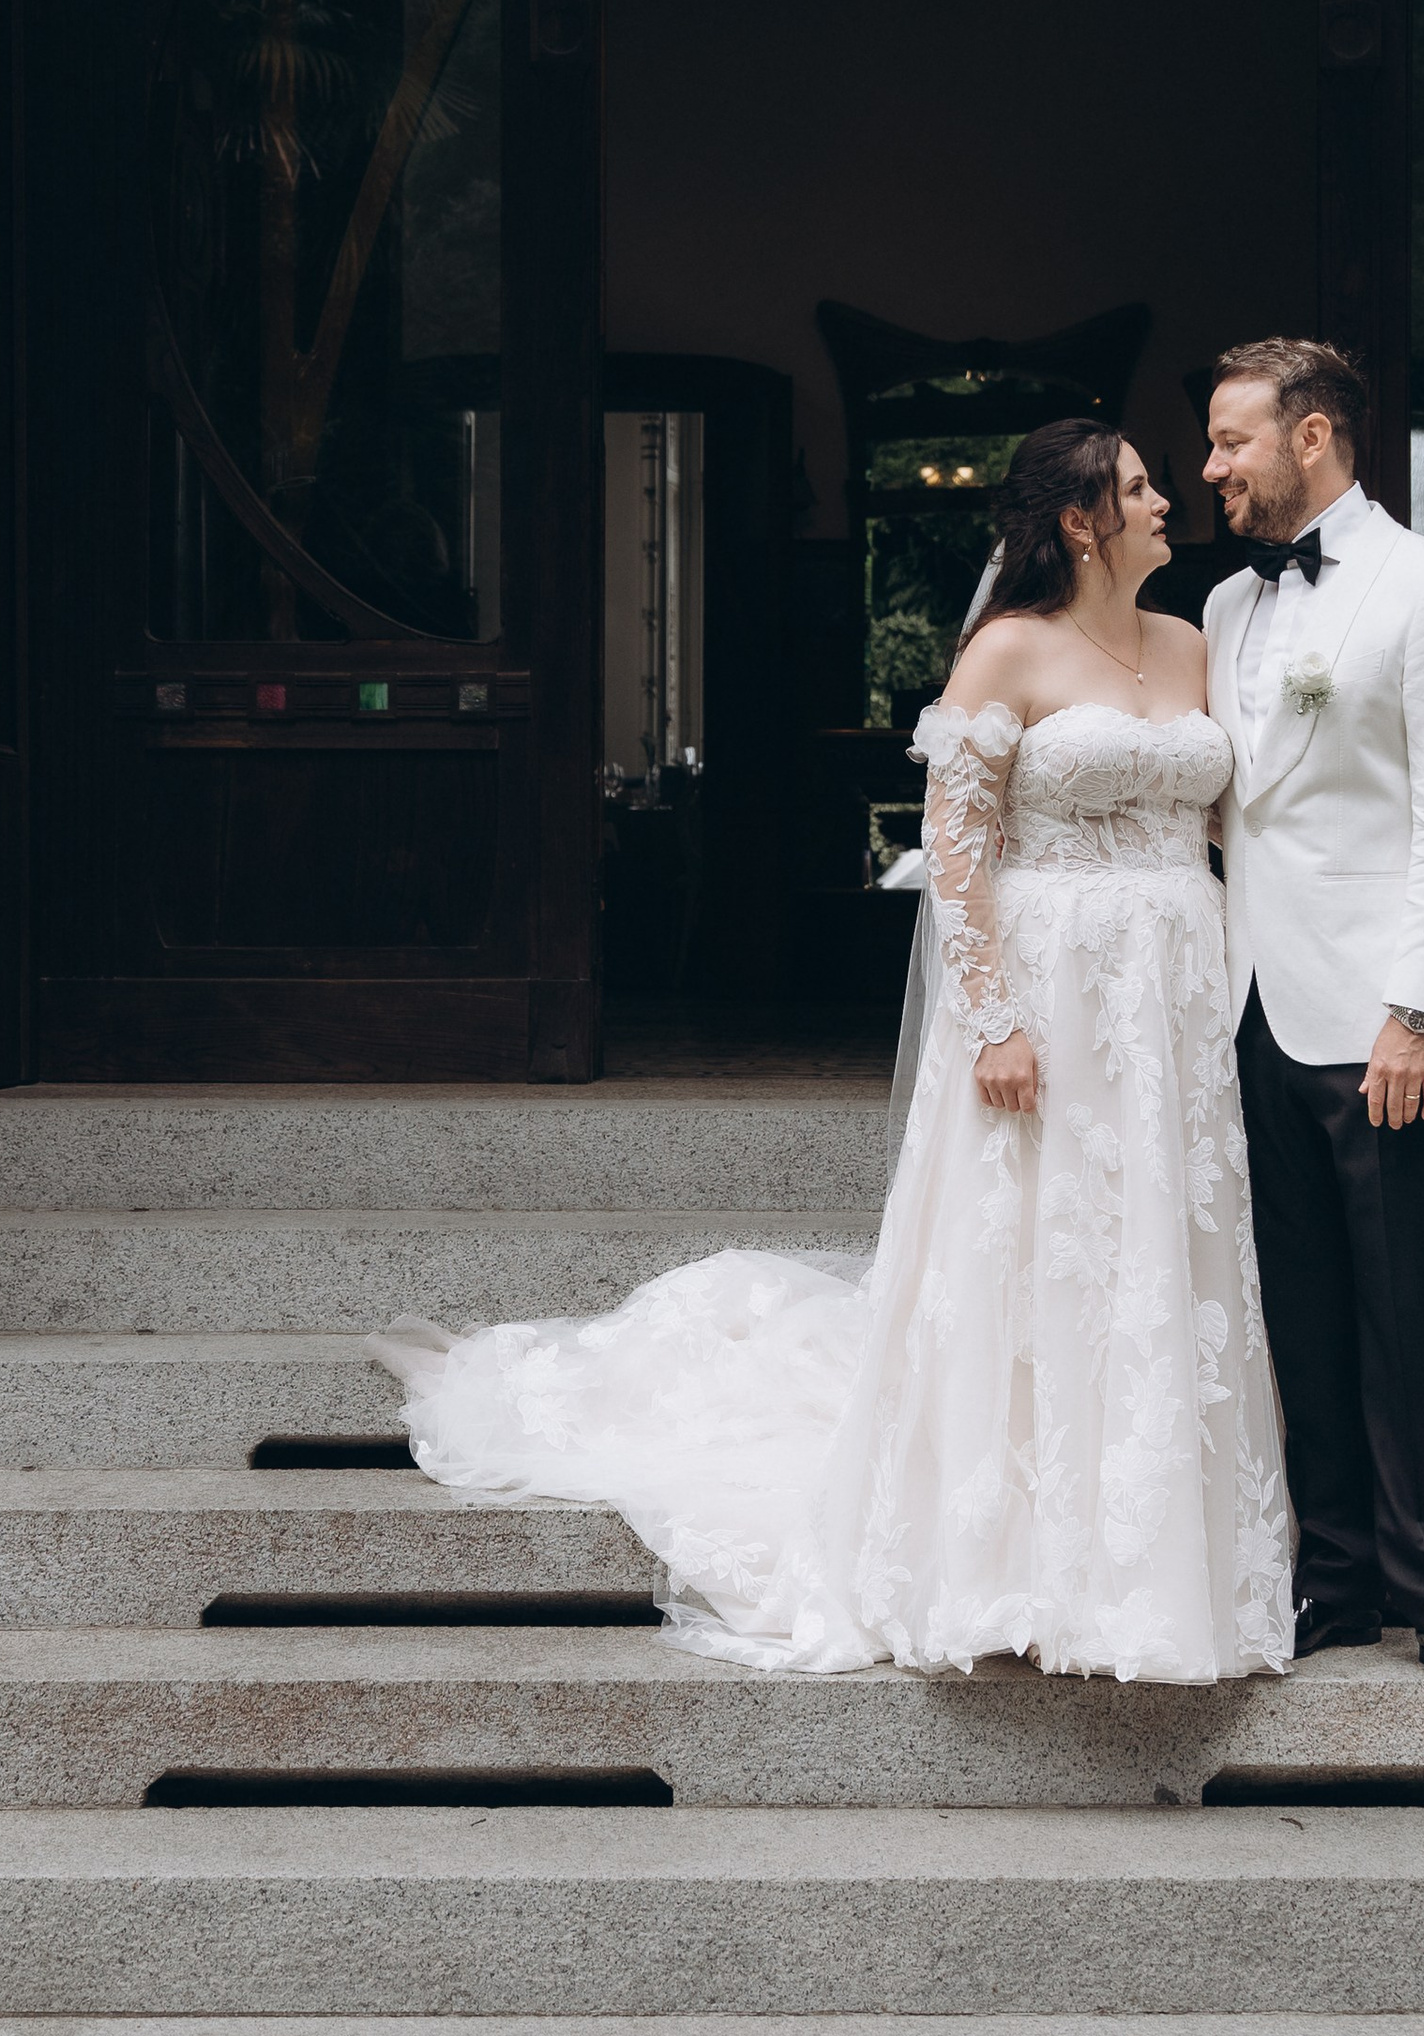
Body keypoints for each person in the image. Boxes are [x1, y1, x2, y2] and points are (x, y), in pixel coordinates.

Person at [379, 420, 1294, 1685]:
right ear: (1079, 521)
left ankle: (1149, 1550)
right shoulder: (1005, 649)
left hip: (1172, 1006)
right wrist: (995, 1020)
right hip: (1051, 992)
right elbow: (955, 850)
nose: (1163, 501)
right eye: (1137, 487)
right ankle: (1008, 1551)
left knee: (1153, 1249)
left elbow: (1232, 821)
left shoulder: (1194, 643)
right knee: (1040, 1244)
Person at [1202, 337, 1424, 1698]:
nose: (1211, 467)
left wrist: (1416, 1012)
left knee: (1409, 1313)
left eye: (1231, 441)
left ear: (1313, 436)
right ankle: (1332, 1581)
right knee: (1304, 1311)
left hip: (1387, 1023)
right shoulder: (1226, 605)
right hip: (1255, 1010)